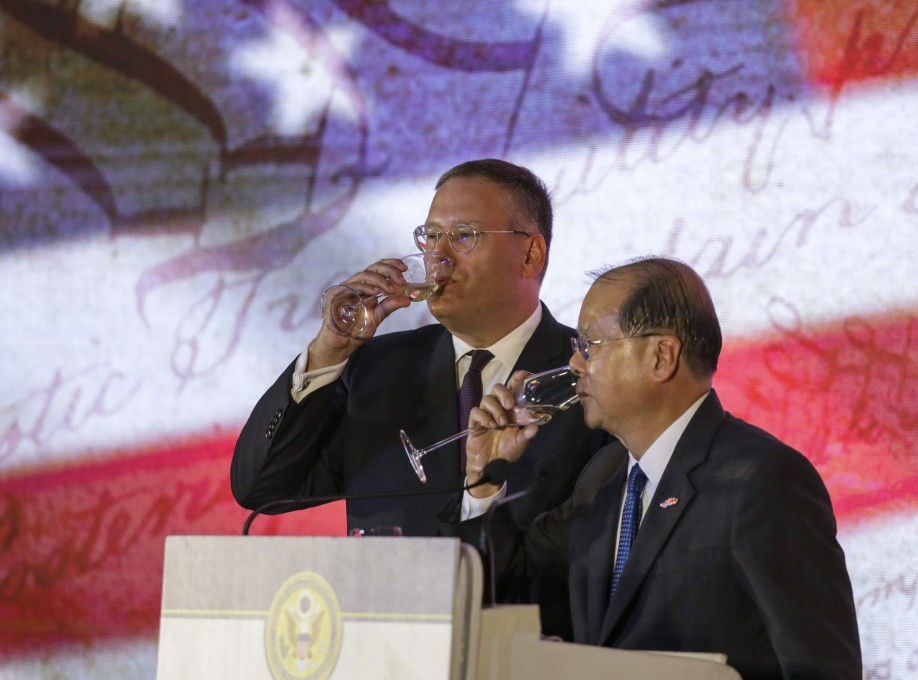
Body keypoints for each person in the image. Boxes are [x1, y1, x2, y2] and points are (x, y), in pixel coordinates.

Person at [230, 158, 608, 636]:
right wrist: (330, 348)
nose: (438, 257)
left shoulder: (589, 372)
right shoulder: (376, 369)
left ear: (531, 254)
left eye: (463, 235)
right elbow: (261, 488)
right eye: (430, 237)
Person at [443, 257, 862, 680]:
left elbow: (822, 668)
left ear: (662, 356)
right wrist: (485, 479)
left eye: (589, 347)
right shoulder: (604, 476)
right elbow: (502, 585)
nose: (574, 365)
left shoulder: (765, 481)